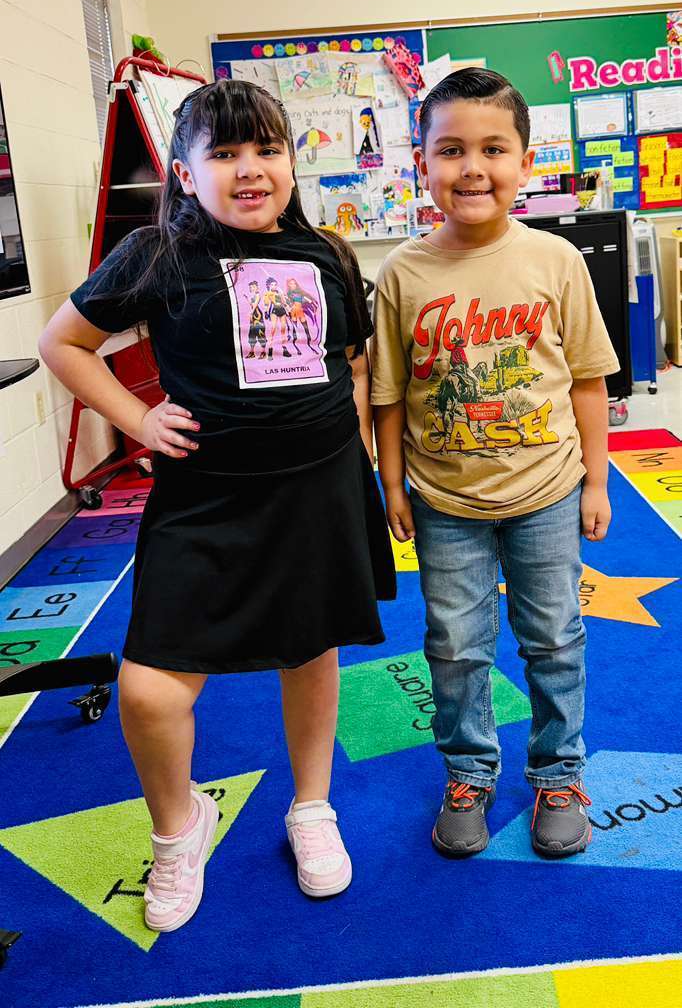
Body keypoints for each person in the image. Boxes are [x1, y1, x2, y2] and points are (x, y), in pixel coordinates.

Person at [39, 78, 395, 932]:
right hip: (206, 503)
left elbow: (347, 362)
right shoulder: (156, 253)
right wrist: (137, 418)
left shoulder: (330, 256)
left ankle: (311, 807)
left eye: (267, 149)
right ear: (187, 174)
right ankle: (179, 826)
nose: (249, 169)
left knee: (310, 653)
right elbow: (64, 341)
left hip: (318, 495)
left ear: (291, 164)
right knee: (151, 691)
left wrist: (358, 463)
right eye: (224, 153)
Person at [371, 68, 619, 860]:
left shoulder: (555, 259)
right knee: (454, 644)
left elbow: (586, 376)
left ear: (525, 160)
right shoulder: (402, 275)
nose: (472, 167)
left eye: (492, 148)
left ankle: (558, 772)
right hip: (444, 498)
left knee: (554, 636)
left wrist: (598, 478)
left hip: (546, 489)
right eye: (450, 150)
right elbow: (386, 396)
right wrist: (391, 484)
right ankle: (470, 769)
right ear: (422, 164)